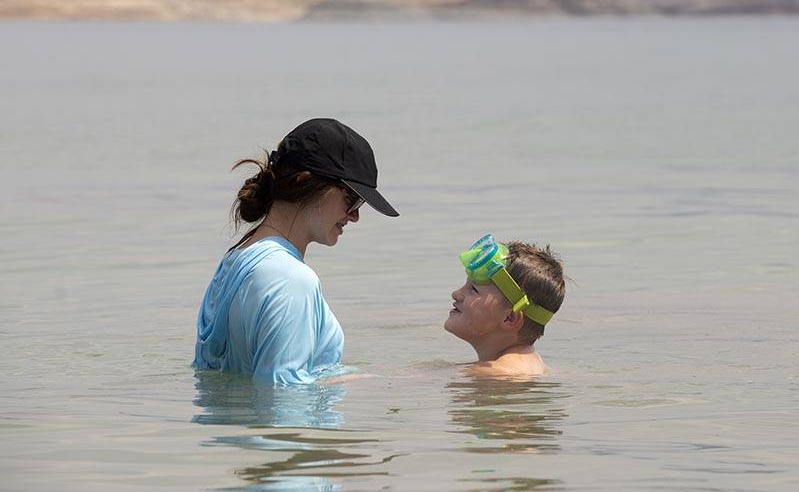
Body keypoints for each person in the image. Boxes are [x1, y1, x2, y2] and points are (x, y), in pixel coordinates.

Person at [193, 118, 399, 384]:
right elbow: (285, 400)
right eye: (353, 199)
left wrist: (379, 378)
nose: (356, 216)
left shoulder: (235, 261)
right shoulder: (291, 280)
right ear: (311, 185)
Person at [445, 234, 566, 377]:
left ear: (510, 318)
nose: (456, 294)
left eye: (474, 290)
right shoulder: (530, 363)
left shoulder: (496, 373)